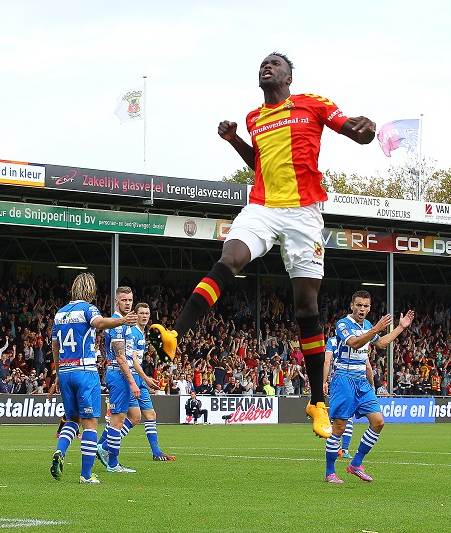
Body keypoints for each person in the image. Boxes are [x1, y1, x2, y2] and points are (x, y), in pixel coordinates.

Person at [148, 51, 376, 439]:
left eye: (274, 64)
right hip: (263, 206)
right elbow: (260, 164)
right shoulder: (255, 118)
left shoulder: (313, 104)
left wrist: (365, 131)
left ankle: (317, 401)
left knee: (306, 305)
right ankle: (174, 334)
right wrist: (235, 138)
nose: (266, 67)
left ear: (289, 76)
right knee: (229, 258)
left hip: (304, 213)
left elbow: (354, 130)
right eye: (262, 65)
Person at [49, 272, 136, 484]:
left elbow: (54, 346)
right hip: (85, 372)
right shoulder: (88, 309)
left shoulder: (59, 313)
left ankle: (60, 452)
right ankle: (86, 475)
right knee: (90, 424)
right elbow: (98, 323)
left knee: (72, 420)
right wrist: (122, 321)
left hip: (66, 372)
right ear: (90, 290)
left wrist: (58, 374)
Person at [324, 290, 414, 484]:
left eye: (365, 306)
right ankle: (330, 472)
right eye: (359, 305)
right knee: (339, 426)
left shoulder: (366, 325)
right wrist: (375, 329)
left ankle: (356, 464)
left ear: (369, 308)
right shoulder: (343, 324)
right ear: (352, 306)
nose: (362, 309)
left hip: (362, 381)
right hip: (344, 378)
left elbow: (381, 343)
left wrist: (399, 327)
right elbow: (355, 344)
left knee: (378, 422)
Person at [98, 302, 174, 464]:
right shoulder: (132, 332)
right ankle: (102, 447)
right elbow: (131, 359)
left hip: (138, 379)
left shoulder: (141, 333)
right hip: (130, 378)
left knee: (147, 415)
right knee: (127, 418)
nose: (145, 316)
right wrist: (145, 379)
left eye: (147, 313)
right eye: (141, 313)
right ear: (135, 314)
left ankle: (155, 451)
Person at [94, 286, 142, 474]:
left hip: (124, 374)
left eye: (130, 300)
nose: (128, 303)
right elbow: (120, 358)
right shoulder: (117, 324)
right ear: (116, 302)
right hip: (119, 375)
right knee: (118, 420)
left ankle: (102, 447)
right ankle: (112, 462)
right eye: (124, 300)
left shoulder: (126, 324)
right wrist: (132, 381)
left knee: (135, 416)